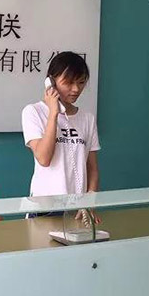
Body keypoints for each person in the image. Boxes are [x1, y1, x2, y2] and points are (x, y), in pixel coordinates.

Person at [21, 52, 101, 224]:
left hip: (78, 209)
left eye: (81, 82)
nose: (76, 89)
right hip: (44, 208)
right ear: (51, 82)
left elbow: (92, 168)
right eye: (69, 82)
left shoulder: (87, 119)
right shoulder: (33, 112)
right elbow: (44, 158)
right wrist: (53, 113)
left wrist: (90, 202)